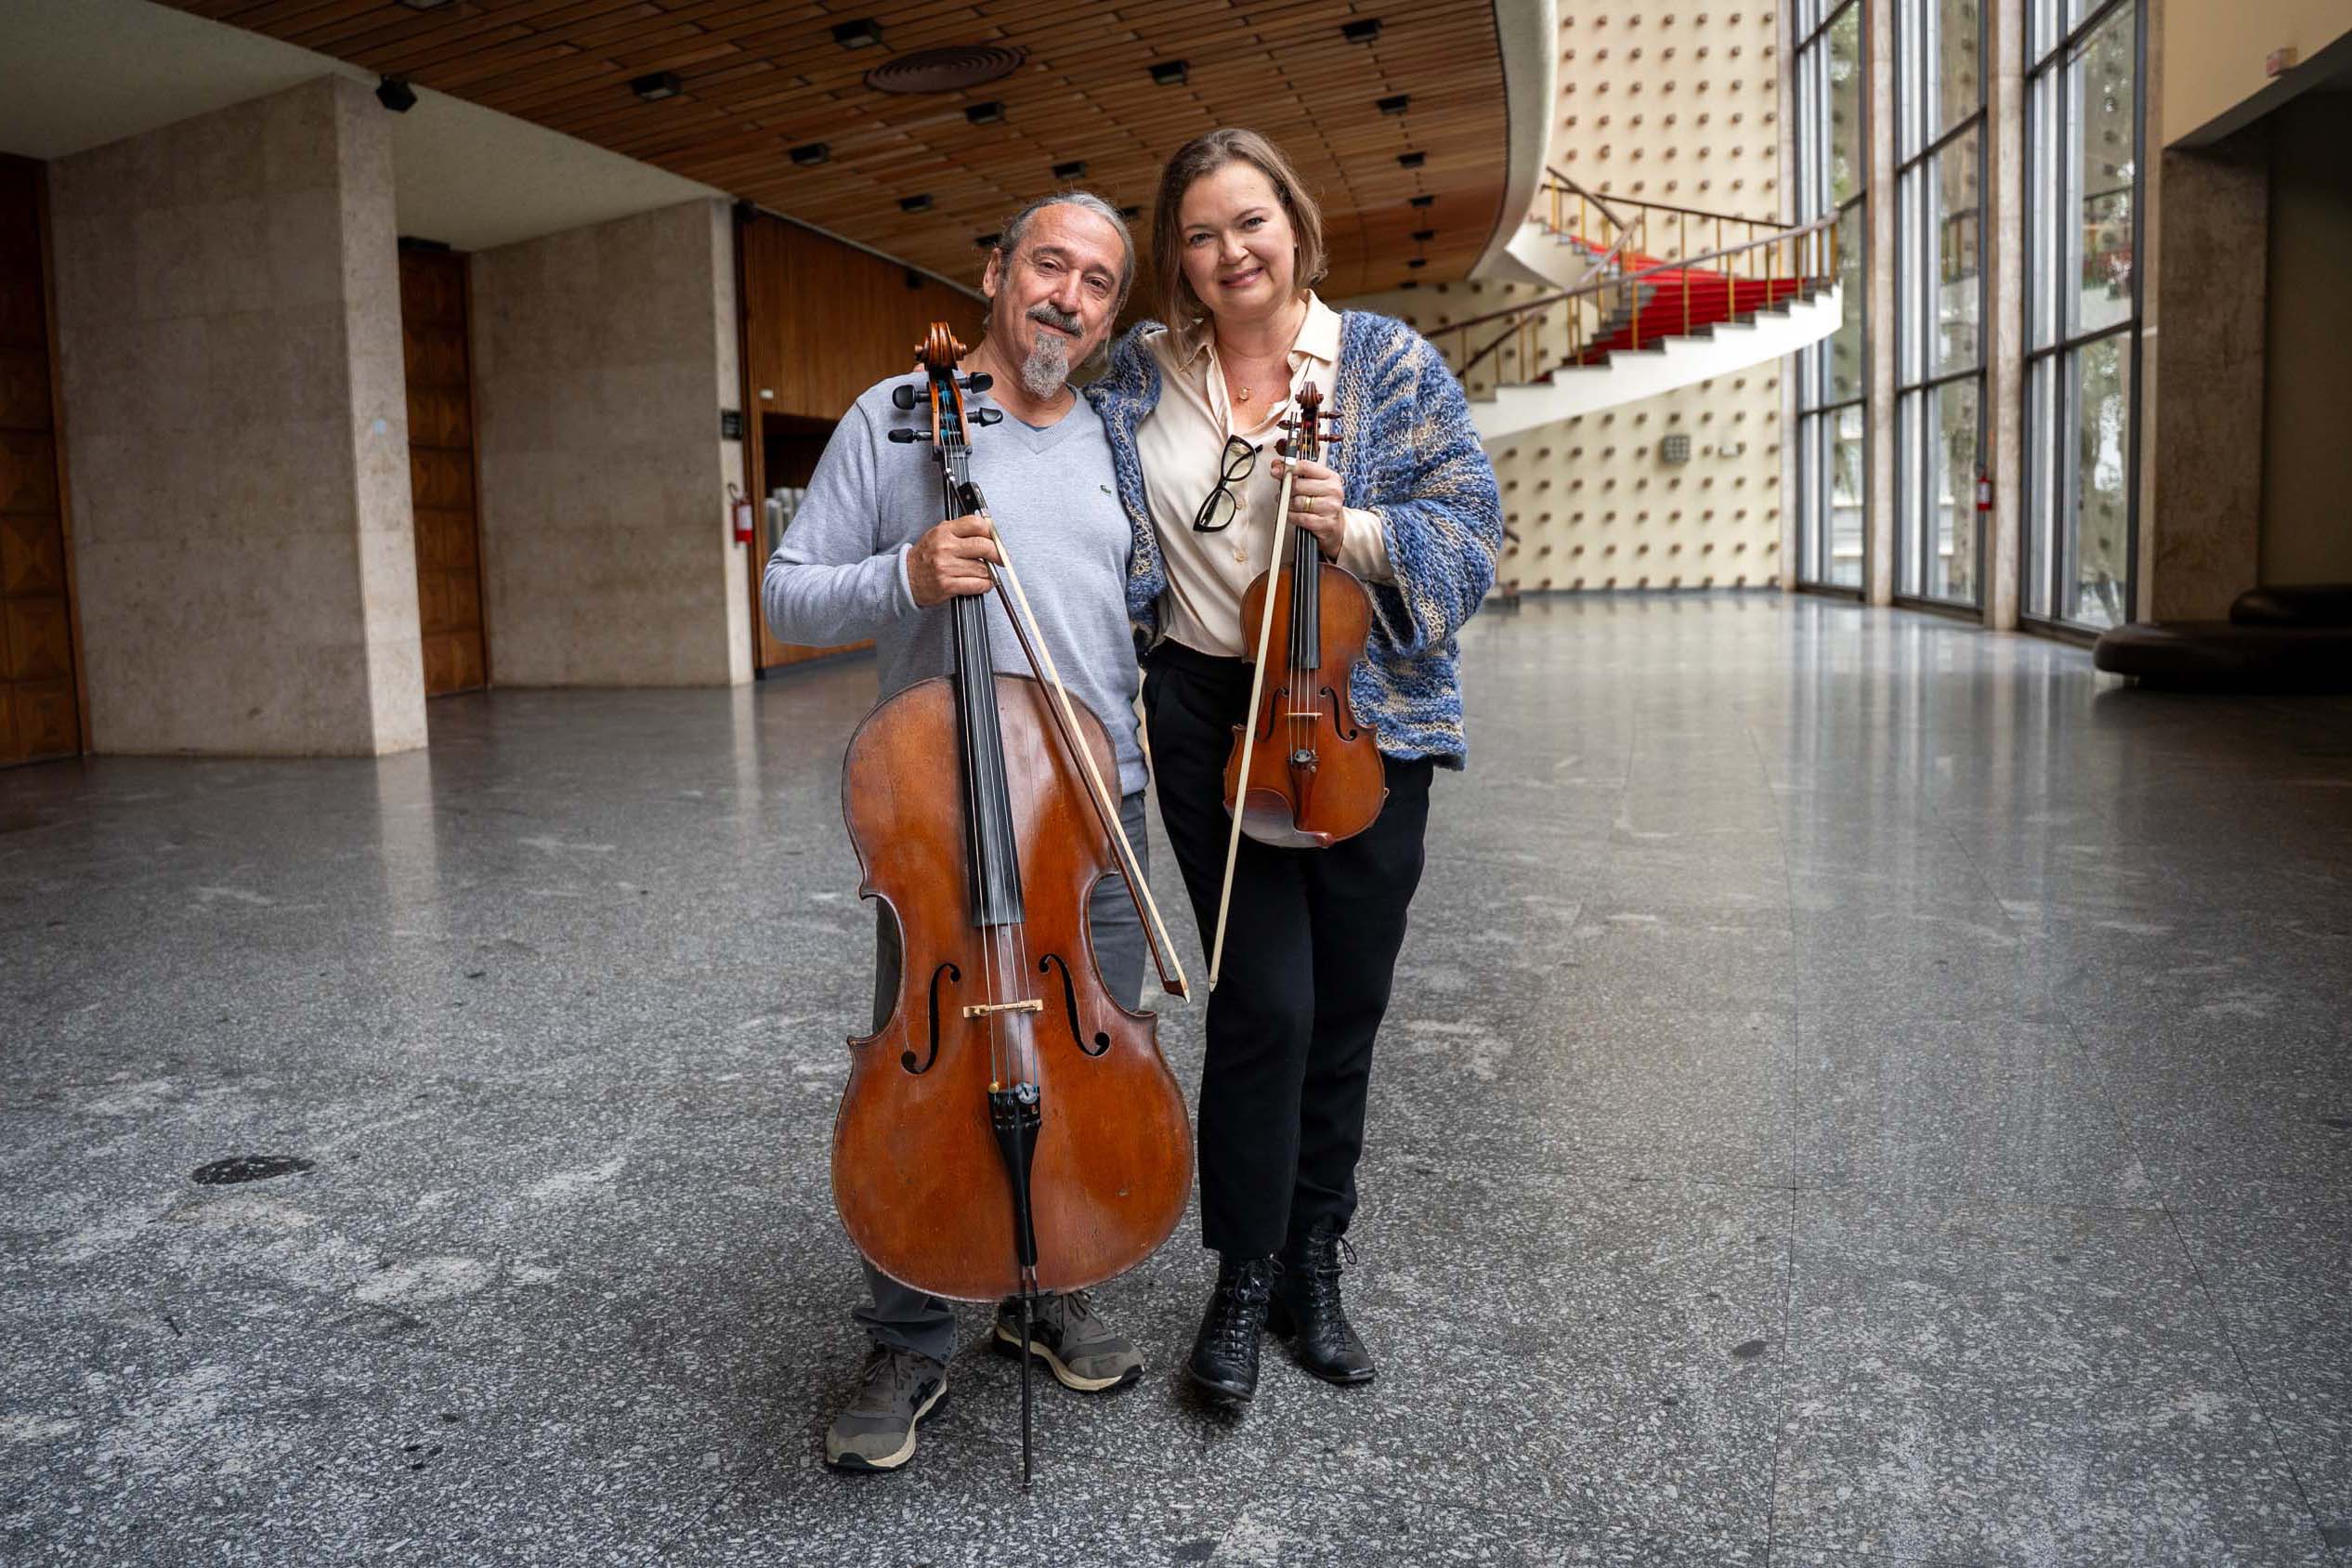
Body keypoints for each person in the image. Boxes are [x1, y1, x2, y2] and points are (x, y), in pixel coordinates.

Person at [1085, 128, 1502, 1404]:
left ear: (1294, 224)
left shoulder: (1384, 361)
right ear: (1178, 260)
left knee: (1348, 1009)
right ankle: (1242, 1276)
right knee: (1264, 1003)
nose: (1229, 253)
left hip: (1364, 710)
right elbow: (1053, 456)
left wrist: (1365, 531)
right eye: (1201, 235)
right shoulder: (1135, 378)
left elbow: (1474, 531)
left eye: (1249, 223)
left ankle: (1316, 1261)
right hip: (1217, 714)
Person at [764, 190, 1155, 1471]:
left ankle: (1044, 1289)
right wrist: (907, 573)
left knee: (1085, 1055)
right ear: (996, 273)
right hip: (943, 814)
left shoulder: (1109, 433)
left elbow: (1130, 602)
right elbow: (787, 594)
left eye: (1099, 284)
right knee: (926, 1064)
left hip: (1094, 811)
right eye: (1051, 266)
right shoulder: (897, 414)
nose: (1070, 299)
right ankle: (909, 1328)